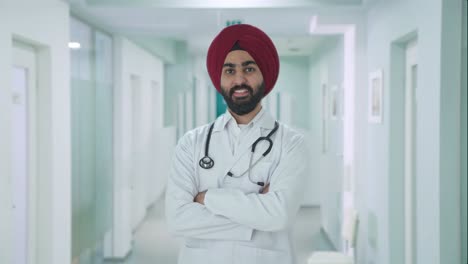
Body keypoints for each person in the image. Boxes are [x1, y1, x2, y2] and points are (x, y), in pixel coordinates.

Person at [165, 24, 308, 264]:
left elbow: (279, 216)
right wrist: (256, 219)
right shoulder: (191, 143)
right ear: (219, 78)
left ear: (264, 73)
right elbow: (177, 218)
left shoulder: (291, 143)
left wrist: (207, 198)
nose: (239, 79)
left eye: (249, 68)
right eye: (229, 71)